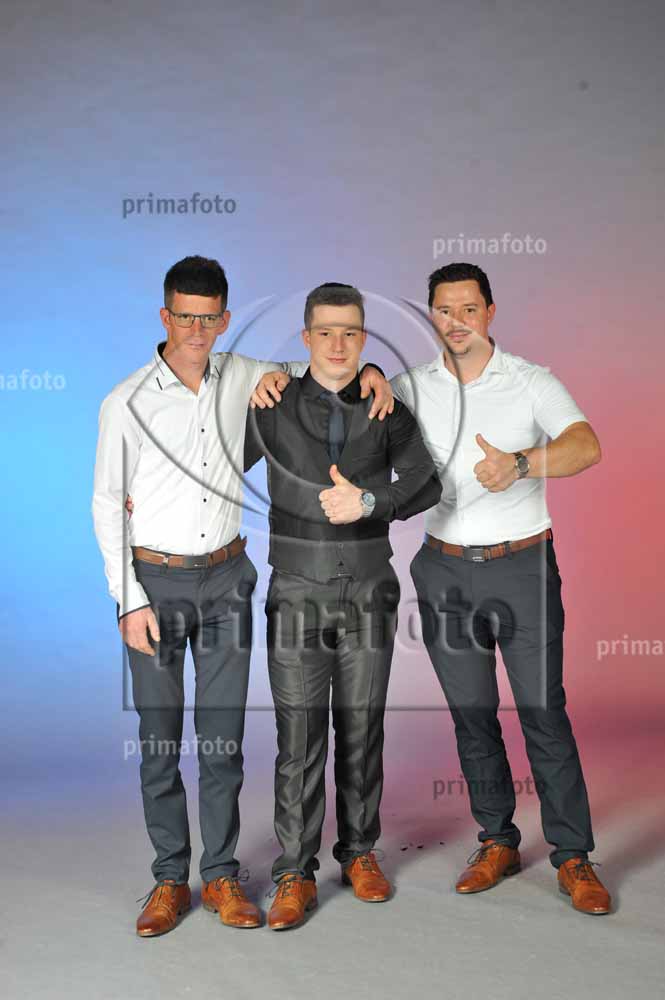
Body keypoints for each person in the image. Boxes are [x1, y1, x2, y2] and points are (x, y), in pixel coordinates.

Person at [92, 256, 392, 937]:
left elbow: (323, 365)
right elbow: (108, 504)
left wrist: (371, 371)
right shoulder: (126, 402)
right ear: (164, 317)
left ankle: (222, 874)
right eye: (184, 317)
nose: (196, 331)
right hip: (155, 584)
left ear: (224, 320)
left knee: (221, 741)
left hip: (227, 580)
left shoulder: (248, 376)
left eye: (208, 319)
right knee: (160, 741)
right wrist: (128, 599)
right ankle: (170, 879)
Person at [392, 262, 611, 915]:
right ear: (430, 316)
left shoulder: (530, 380)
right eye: (444, 310)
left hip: (522, 567)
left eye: (469, 308)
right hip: (443, 569)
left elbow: (585, 446)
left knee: (542, 709)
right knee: (472, 713)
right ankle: (497, 840)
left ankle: (572, 853)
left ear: (489, 312)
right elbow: (344, 402)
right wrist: (364, 375)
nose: (456, 321)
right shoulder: (409, 386)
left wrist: (520, 463)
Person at [244, 282, 442, 930]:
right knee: (298, 737)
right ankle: (294, 871)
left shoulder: (386, 407)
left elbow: (427, 482)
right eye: (325, 332)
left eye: (350, 333)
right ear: (306, 338)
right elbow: (211, 457)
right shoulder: (271, 402)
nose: (337, 344)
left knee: (361, 729)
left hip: (367, 592)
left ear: (363, 339)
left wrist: (371, 502)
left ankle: (358, 852)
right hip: (295, 592)